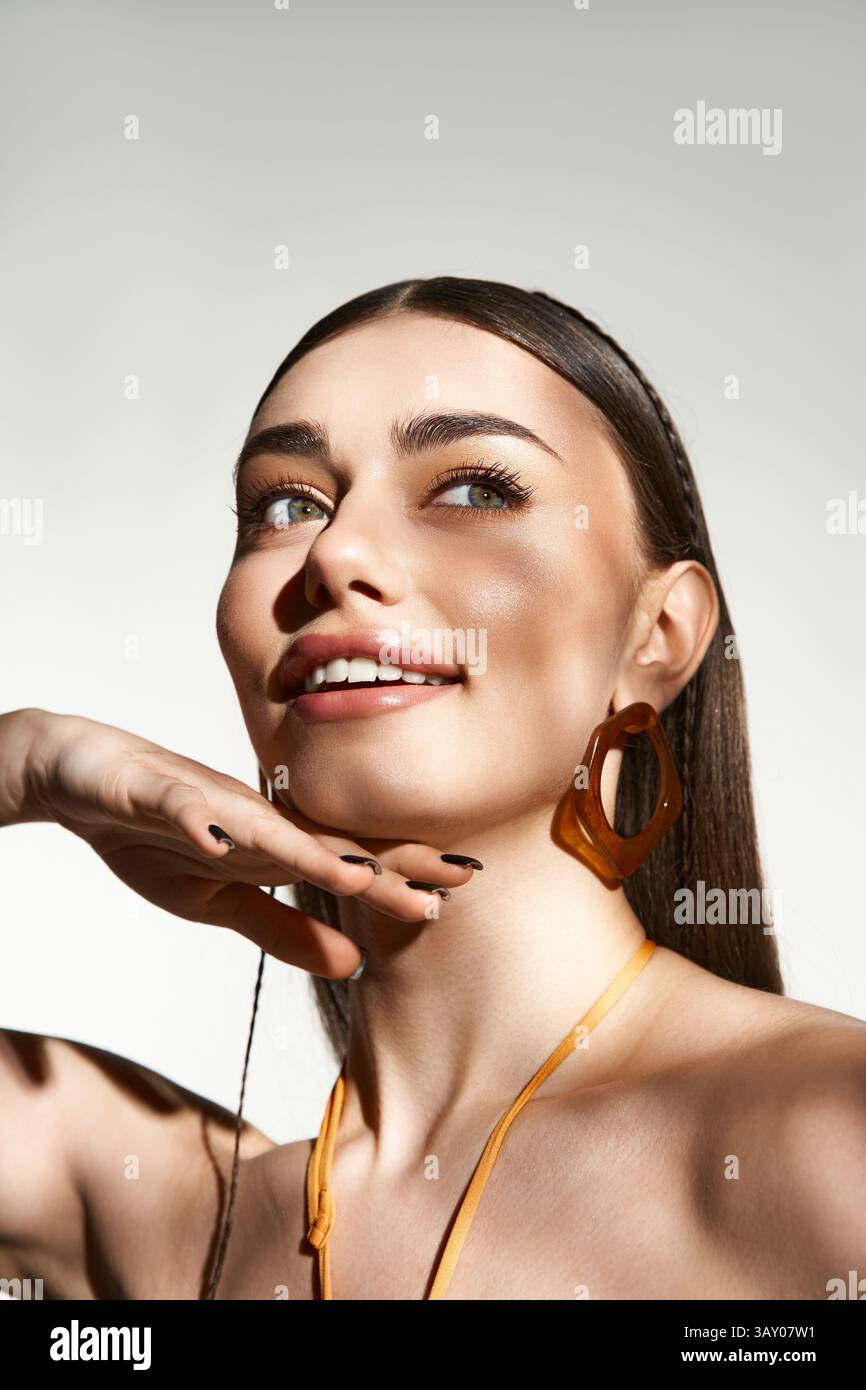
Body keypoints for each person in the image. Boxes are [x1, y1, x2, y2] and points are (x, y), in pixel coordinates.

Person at [2, 277, 864, 1301]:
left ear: (659, 633)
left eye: (471, 489)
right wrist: (26, 762)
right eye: (286, 504)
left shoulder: (828, 1132)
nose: (334, 553)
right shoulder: (172, 1213)